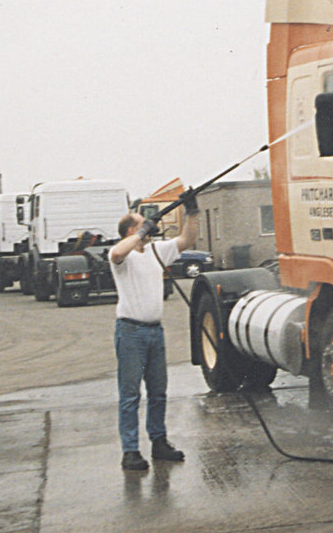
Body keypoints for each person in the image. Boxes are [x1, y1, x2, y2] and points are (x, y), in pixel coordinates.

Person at [109, 190, 200, 471]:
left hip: (154, 332)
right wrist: (140, 233)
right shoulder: (123, 256)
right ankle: (130, 451)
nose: (148, 227)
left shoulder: (156, 251)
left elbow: (186, 240)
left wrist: (192, 212)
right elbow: (117, 252)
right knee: (130, 395)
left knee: (158, 392)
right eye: (141, 224)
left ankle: (159, 442)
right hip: (131, 332)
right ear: (130, 231)